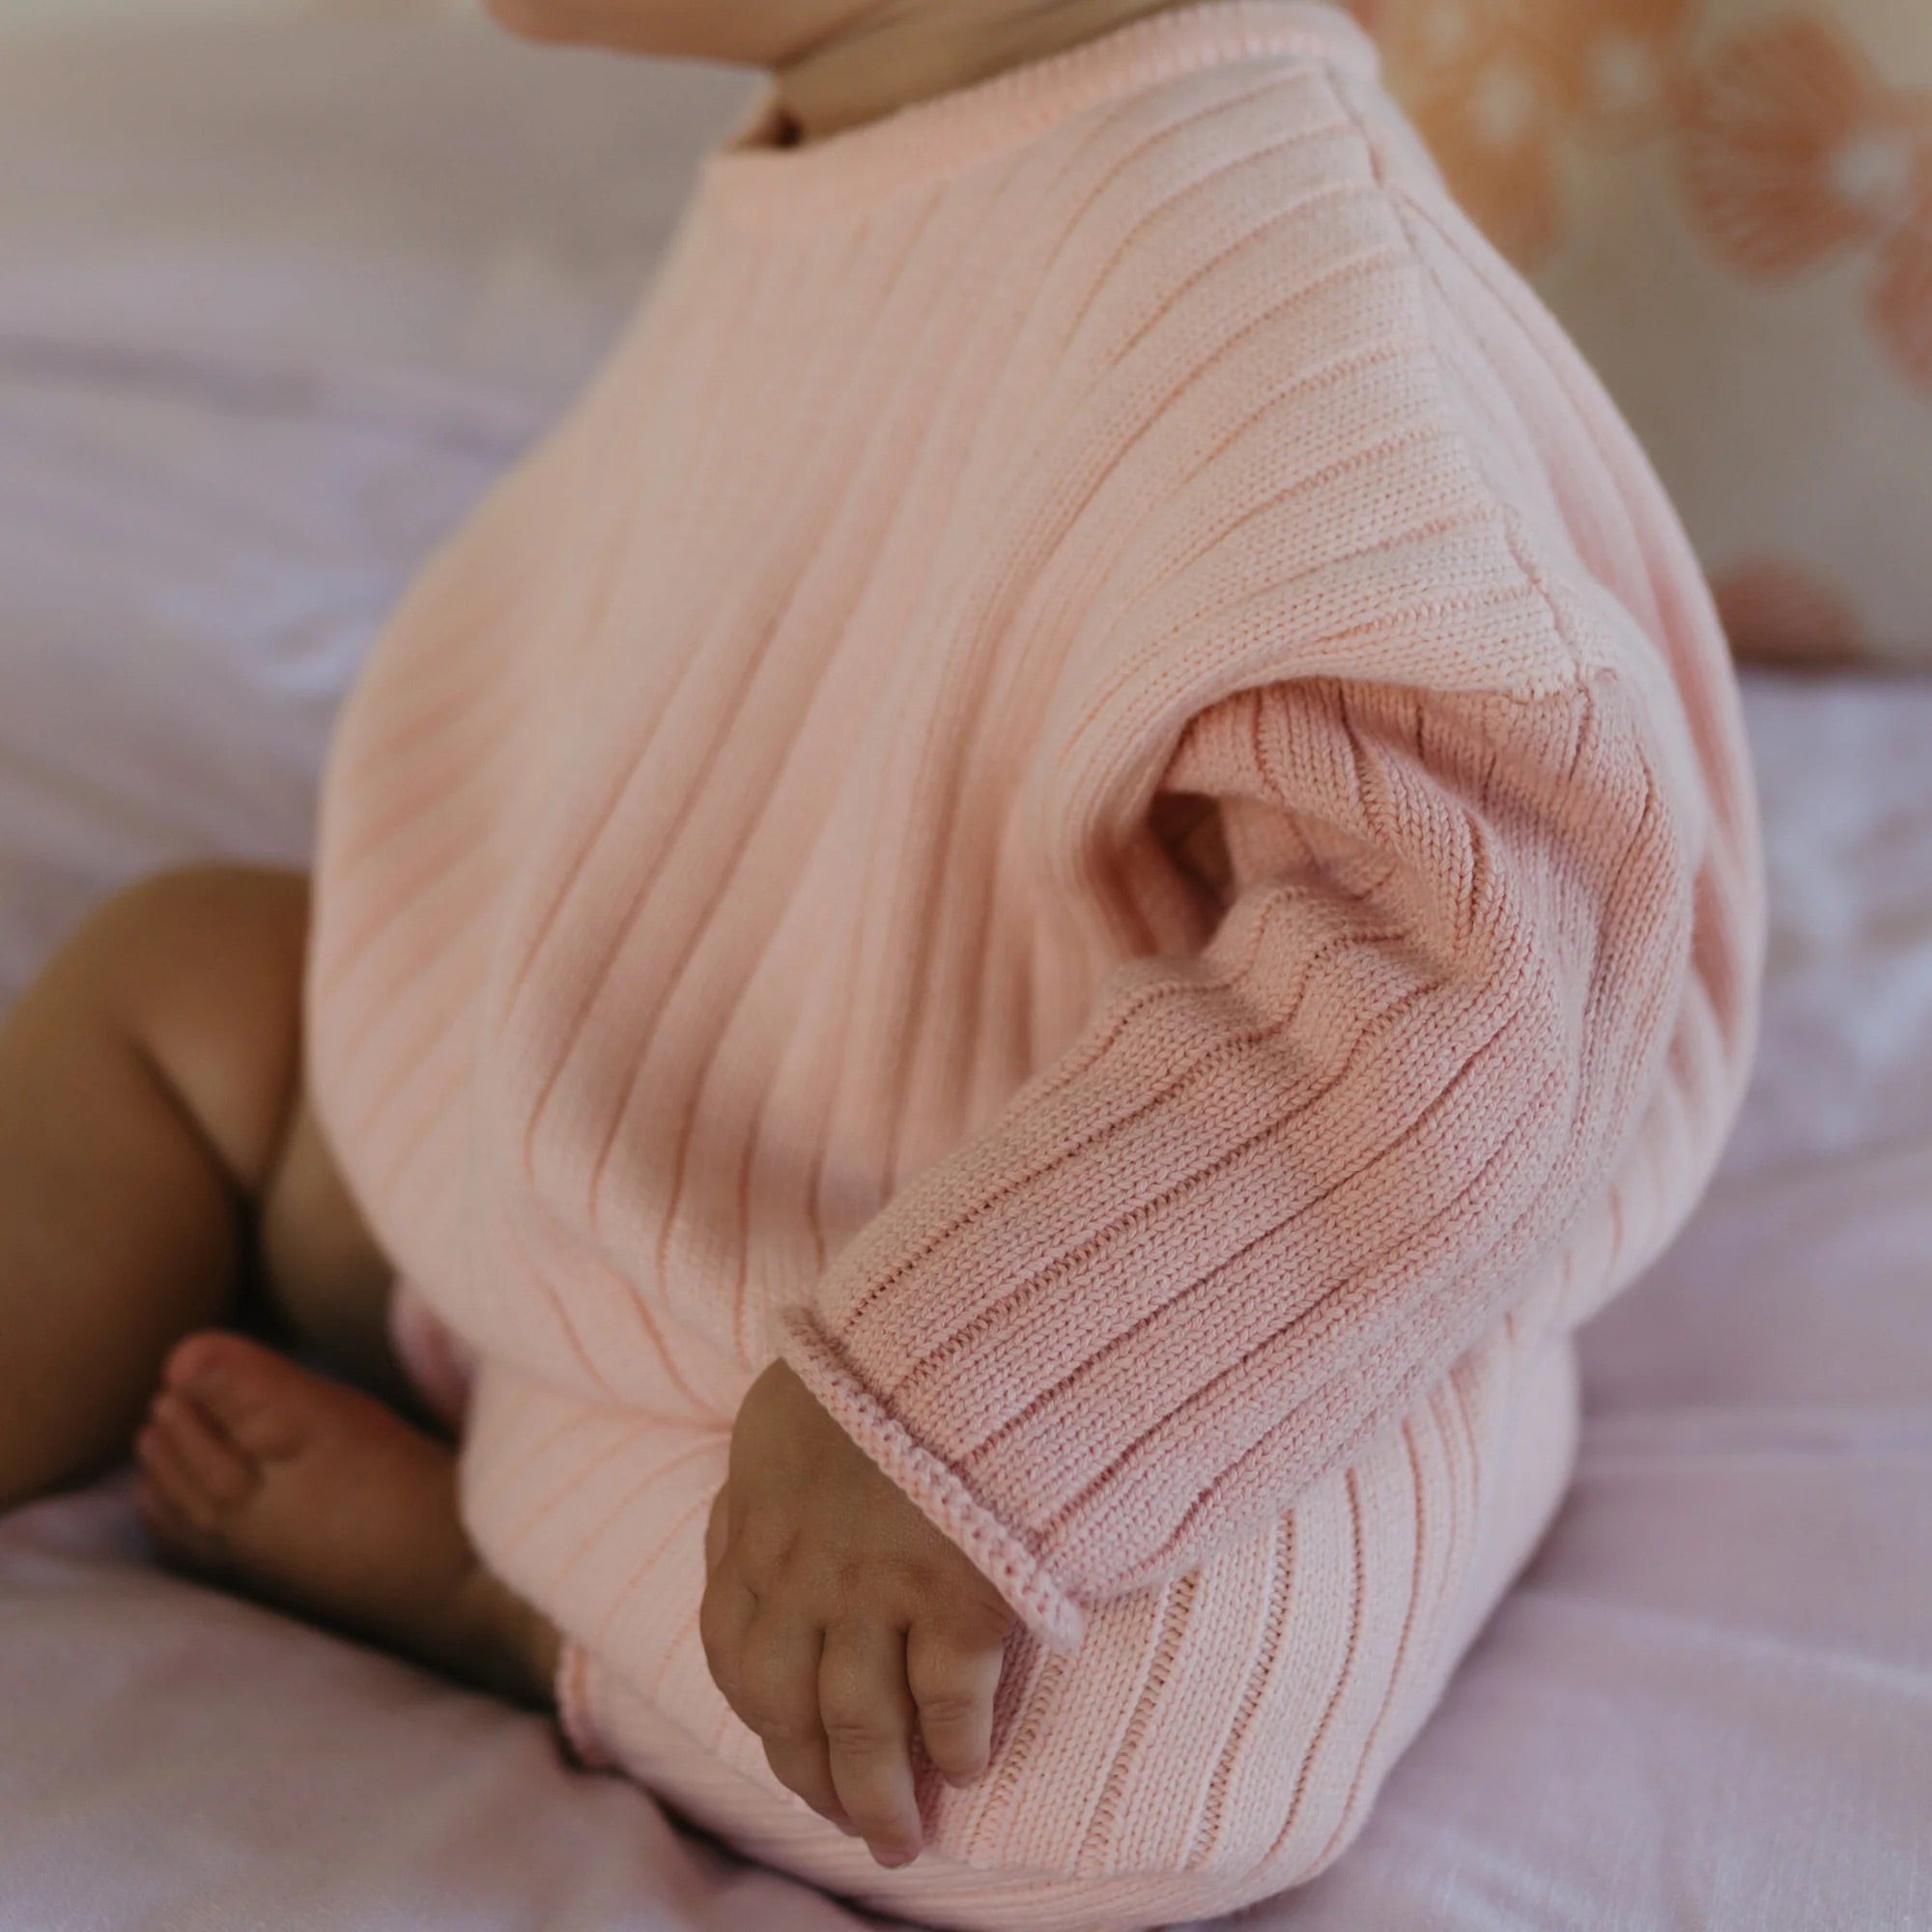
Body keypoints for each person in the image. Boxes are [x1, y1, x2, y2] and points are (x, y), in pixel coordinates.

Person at [0, 2, 1764, 1926]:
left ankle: (507, 1599)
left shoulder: (1265, 290)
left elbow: (1475, 962)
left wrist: (958, 1405)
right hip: (642, 1132)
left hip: (1030, 1325)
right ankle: (531, 1438)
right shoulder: (872, 119)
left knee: (1099, 1766)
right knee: (180, 979)